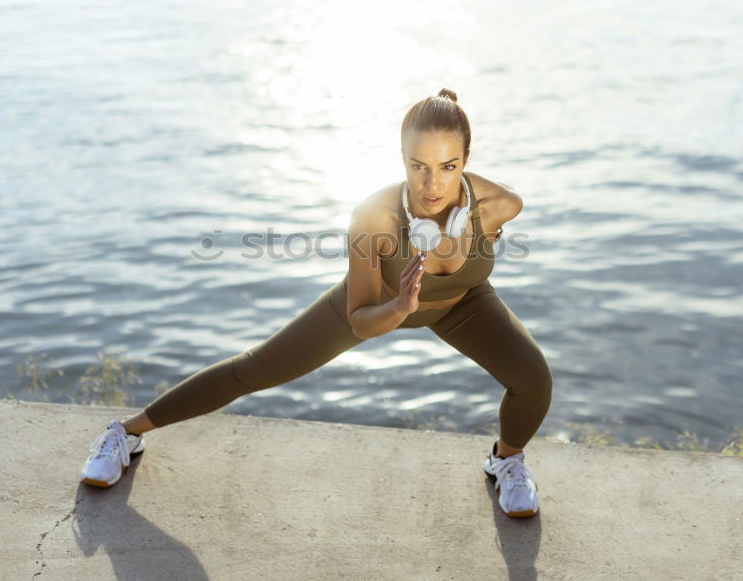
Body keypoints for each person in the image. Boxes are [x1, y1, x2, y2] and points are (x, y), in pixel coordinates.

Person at [80, 88, 553, 518]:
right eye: (418, 166)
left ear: (466, 160)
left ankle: (505, 461)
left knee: (533, 378)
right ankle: (125, 433)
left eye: (448, 167)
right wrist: (398, 308)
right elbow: (360, 319)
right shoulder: (375, 218)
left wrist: (459, 225)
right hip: (381, 305)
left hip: (462, 304)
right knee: (255, 369)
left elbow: (474, 215)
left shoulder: (500, 206)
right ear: (402, 159)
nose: (432, 184)